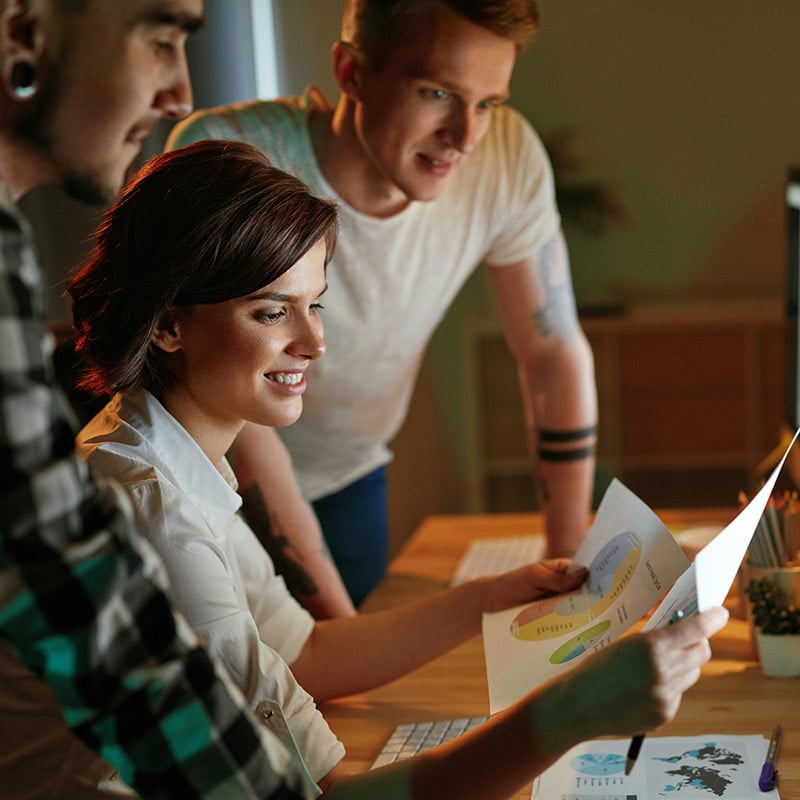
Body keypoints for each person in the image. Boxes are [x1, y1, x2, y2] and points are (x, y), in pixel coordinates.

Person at [60, 137, 728, 800]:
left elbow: (305, 655)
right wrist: (568, 715)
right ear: (168, 324)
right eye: (272, 312)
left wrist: (491, 600)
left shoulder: (164, 458)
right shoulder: (155, 513)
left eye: (314, 303)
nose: (314, 342)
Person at [167, 0, 599, 609]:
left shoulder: (505, 156)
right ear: (350, 73)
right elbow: (223, 384)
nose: (466, 137)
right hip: (218, 480)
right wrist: (341, 631)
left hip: (351, 474)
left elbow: (552, 350)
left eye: (487, 103)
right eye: (437, 93)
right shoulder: (232, 155)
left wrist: (571, 565)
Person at [0, 1, 318, 797]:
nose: (181, 90)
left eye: (318, 307)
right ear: (22, 31)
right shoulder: (150, 494)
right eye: (162, 37)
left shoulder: (183, 467)